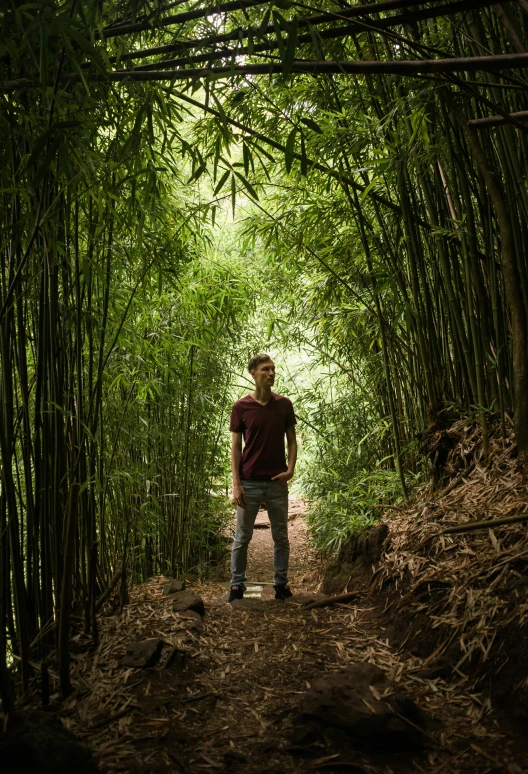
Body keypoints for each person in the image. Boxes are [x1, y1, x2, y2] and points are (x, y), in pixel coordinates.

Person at [228, 353, 297, 603]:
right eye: (265, 369)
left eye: (273, 369)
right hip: (249, 481)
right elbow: (236, 448)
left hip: (277, 482)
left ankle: (281, 585)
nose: (271, 373)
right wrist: (236, 484)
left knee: (281, 537)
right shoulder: (241, 407)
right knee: (242, 537)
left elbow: (292, 439)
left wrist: (290, 470)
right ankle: (236, 586)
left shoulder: (284, 404)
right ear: (253, 374)